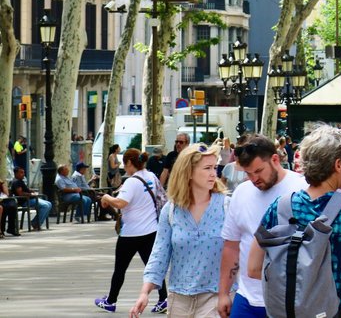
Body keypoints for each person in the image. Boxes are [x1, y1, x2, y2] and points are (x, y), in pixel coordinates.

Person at [247, 126, 341, 318]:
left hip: (289, 310)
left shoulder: (282, 206)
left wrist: (300, 286)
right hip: (335, 310)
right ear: (338, 165)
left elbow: (254, 267)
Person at [130, 144, 229, 317]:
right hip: (179, 299)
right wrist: (144, 293)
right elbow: (160, 254)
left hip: (216, 295)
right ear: (188, 172)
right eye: (207, 168)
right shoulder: (171, 211)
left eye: (215, 167)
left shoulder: (227, 206)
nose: (214, 173)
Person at [217, 135, 307, 318]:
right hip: (246, 299)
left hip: (290, 300)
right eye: (248, 173)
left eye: (258, 171)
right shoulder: (241, 193)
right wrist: (223, 293)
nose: (254, 179)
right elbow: (232, 245)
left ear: (275, 159)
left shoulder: (303, 188)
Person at [95, 149, 169, 313]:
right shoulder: (150, 176)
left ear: (129, 163)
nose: (123, 166)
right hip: (151, 231)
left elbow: (121, 203)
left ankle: (111, 301)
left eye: (124, 163)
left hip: (130, 234)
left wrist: (106, 198)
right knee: (153, 267)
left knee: (120, 269)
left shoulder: (131, 181)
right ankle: (164, 299)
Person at [11, 166, 51, 231]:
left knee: (49, 204)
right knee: (45, 206)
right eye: (21, 172)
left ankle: (36, 222)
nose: (23, 174)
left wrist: (32, 191)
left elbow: (26, 190)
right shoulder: (16, 182)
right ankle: (35, 223)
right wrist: (31, 194)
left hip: (30, 199)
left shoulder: (21, 181)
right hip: (25, 201)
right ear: (16, 174)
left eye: (23, 172)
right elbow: (20, 193)